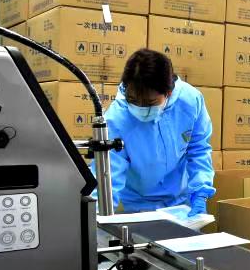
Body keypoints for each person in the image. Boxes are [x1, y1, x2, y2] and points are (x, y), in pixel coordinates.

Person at [91, 49, 215, 215]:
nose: (140, 107)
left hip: (181, 203)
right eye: (133, 100)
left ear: (168, 92)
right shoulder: (116, 120)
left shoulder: (190, 101)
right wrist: (97, 217)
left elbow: (199, 149)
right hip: (139, 205)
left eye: (150, 102)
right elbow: (108, 176)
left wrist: (200, 191)